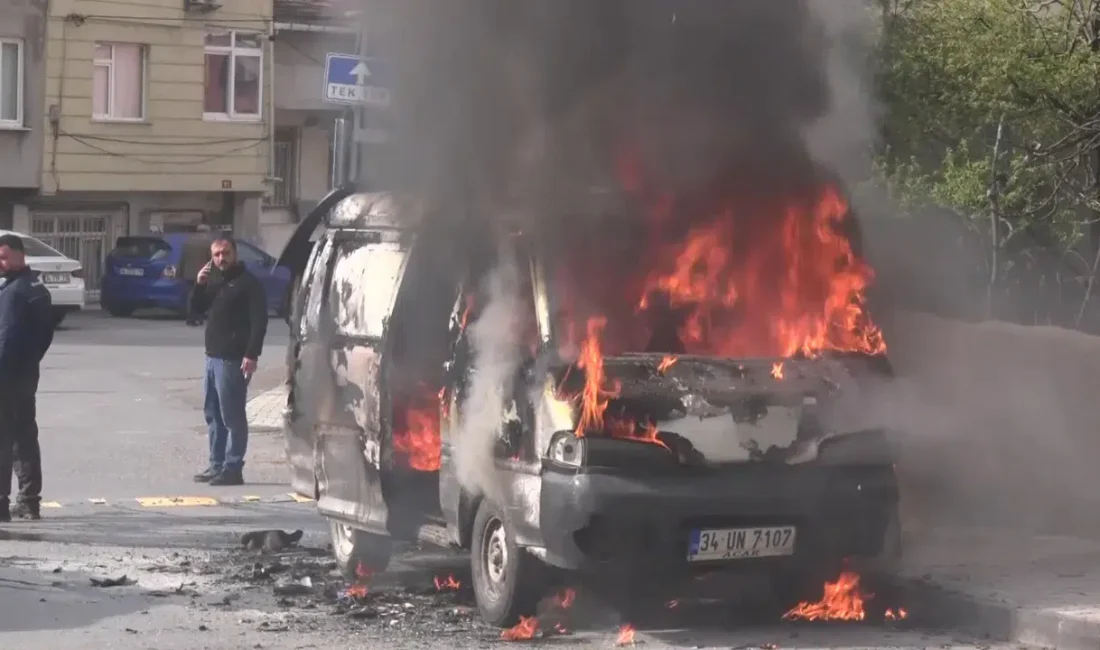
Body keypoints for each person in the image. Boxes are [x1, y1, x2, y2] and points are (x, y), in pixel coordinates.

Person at [189, 237, 268, 486]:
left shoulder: (248, 283)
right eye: (216, 255)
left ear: (235, 254)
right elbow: (195, 312)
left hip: (234, 360)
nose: (221, 259)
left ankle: (233, 468)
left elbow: (259, 321)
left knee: (232, 416)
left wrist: (251, 354)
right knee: (213, 413)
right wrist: (199, 286)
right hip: (212, 359)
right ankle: (217, 465)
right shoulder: (216, 281)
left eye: (226, 253)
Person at [0, 234, 54, 521]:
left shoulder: (15, 292)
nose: (1, 262)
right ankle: (29, 500)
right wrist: (30, 361)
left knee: (4, 440)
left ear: (21, 255)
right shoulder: (36, 287)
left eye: (5, 256)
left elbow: (5, 342)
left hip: (6, 377)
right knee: (24, 436)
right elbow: (46, 334)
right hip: (25, 375)